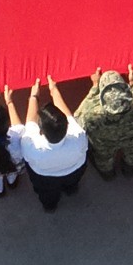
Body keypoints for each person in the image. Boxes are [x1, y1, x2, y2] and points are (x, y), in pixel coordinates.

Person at [73, 66, 133, 179]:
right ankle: (129, 171)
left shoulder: (90, 114)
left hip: (104, 143)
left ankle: (108, 175)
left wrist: (95, 87)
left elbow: (78, 121)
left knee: (104, 159)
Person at [19, 77, 87, 211]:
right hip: (74, 171)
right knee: (72, 184)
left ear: (41, 130)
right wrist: (54, 90)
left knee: (47, 195)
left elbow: (30, 122)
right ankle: (70, 190)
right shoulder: (78, 136)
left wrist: (33, 96)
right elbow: (67, 115)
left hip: (44, 179)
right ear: (66, 127)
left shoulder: (31, 145)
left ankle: (50, 206)